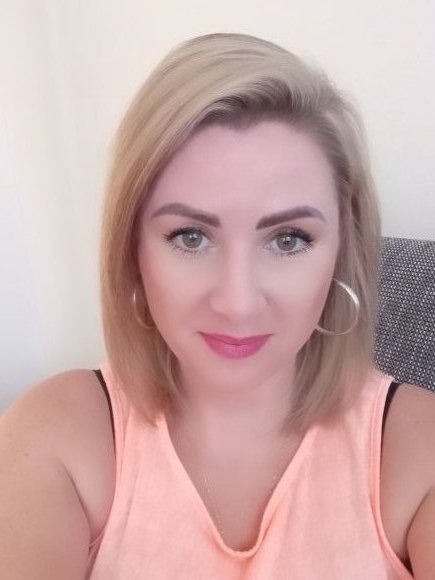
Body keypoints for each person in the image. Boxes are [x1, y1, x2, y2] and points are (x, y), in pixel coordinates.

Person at [0, 32, 434, 579]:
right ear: (132, 251)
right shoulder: (55, 437)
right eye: (191, 237)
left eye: (288, 240)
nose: (237, 303)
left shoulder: (416, 450)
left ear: (342, 250)